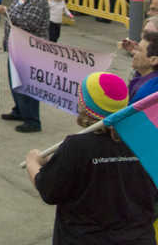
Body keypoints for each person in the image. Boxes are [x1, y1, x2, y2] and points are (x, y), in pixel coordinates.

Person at [25, 72, 158, 244]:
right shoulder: (148, 142)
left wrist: (32, 162)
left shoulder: (77, 147)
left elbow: (49, 190)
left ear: (83, 104)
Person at [0, 0, 51, 132]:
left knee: (27, 85)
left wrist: (6, 12)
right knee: (15, 81)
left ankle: (32, 120)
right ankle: (20, 110)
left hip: (29, 49)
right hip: (18, 47)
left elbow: (30, 23)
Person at [128, 30, 158, 103]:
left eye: (139, 50)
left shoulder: (146, 93)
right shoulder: (146, 76)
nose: (133, 52)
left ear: (153, 60)